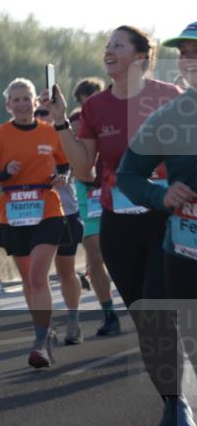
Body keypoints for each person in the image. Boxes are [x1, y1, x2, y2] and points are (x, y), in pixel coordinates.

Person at [38, 25, 182, 426]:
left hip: (163, 219)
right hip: (118, 223)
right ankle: (173, 402)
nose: (108, 51)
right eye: (106, 46)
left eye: (117, 45)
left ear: (140, 56)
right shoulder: (97, 107)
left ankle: (177, 406)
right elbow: (83, 169)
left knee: (158, 308)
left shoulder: (166, 98)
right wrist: (63, 120)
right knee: (143, 316)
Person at [116, 21, 197, 426]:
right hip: (184, 250)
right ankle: (177, 408)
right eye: (185, 53)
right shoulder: (171, 115)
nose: (189, 61)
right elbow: (128, 175)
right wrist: (161, 196)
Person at [0, 79, 70, 368]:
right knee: (29, 280)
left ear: (35, 102)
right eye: (15, 100)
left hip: (47, 209)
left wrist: (62, 177)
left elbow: (65, 163)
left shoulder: (49, 132)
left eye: (25, 98)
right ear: (8, 105)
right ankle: (44, 331)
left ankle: (39, 341)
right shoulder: (0, 136)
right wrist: (4, 172)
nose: (21, 104)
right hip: (14, 213)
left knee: (39, 276)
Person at [70, 79, 121, 336]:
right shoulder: (78, 123)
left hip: (120, 188)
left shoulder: (118, 115)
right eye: (82, 103)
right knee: (94, 253)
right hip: (89, 192)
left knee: (124, 253)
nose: (87, 107)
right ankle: (109, 313)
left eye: (92, 99)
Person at [33, 107, 84, 345]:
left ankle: (73, 319)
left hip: (65, 212)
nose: (43, 121)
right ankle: (43, 331)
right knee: (37, 276)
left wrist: (65, 175)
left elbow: (75, 166)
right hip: (36, 215)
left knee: (65, 270)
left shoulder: (63, 139)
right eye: (39, 116)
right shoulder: (26, 140)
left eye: (47, 117)